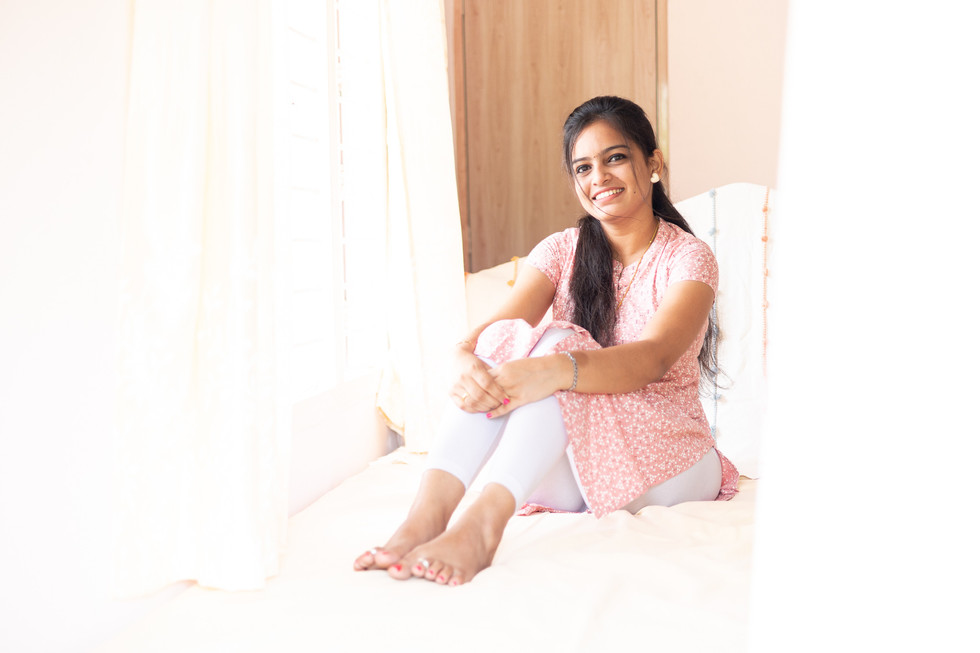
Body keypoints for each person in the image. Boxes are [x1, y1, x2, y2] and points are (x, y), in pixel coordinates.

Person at [353, 95, 739, 586]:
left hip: (672, 455)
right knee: (510, 341)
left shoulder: (689, 257)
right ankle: (424, 520)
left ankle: (481, 526)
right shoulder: (561, 251)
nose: (599, 177)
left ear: (653, 163)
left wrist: (553, 370)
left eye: (615, 158)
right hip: (581, 450)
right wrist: (462, 358)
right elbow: (495, 335)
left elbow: (654, 358)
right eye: (583, 167)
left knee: (557, 345)